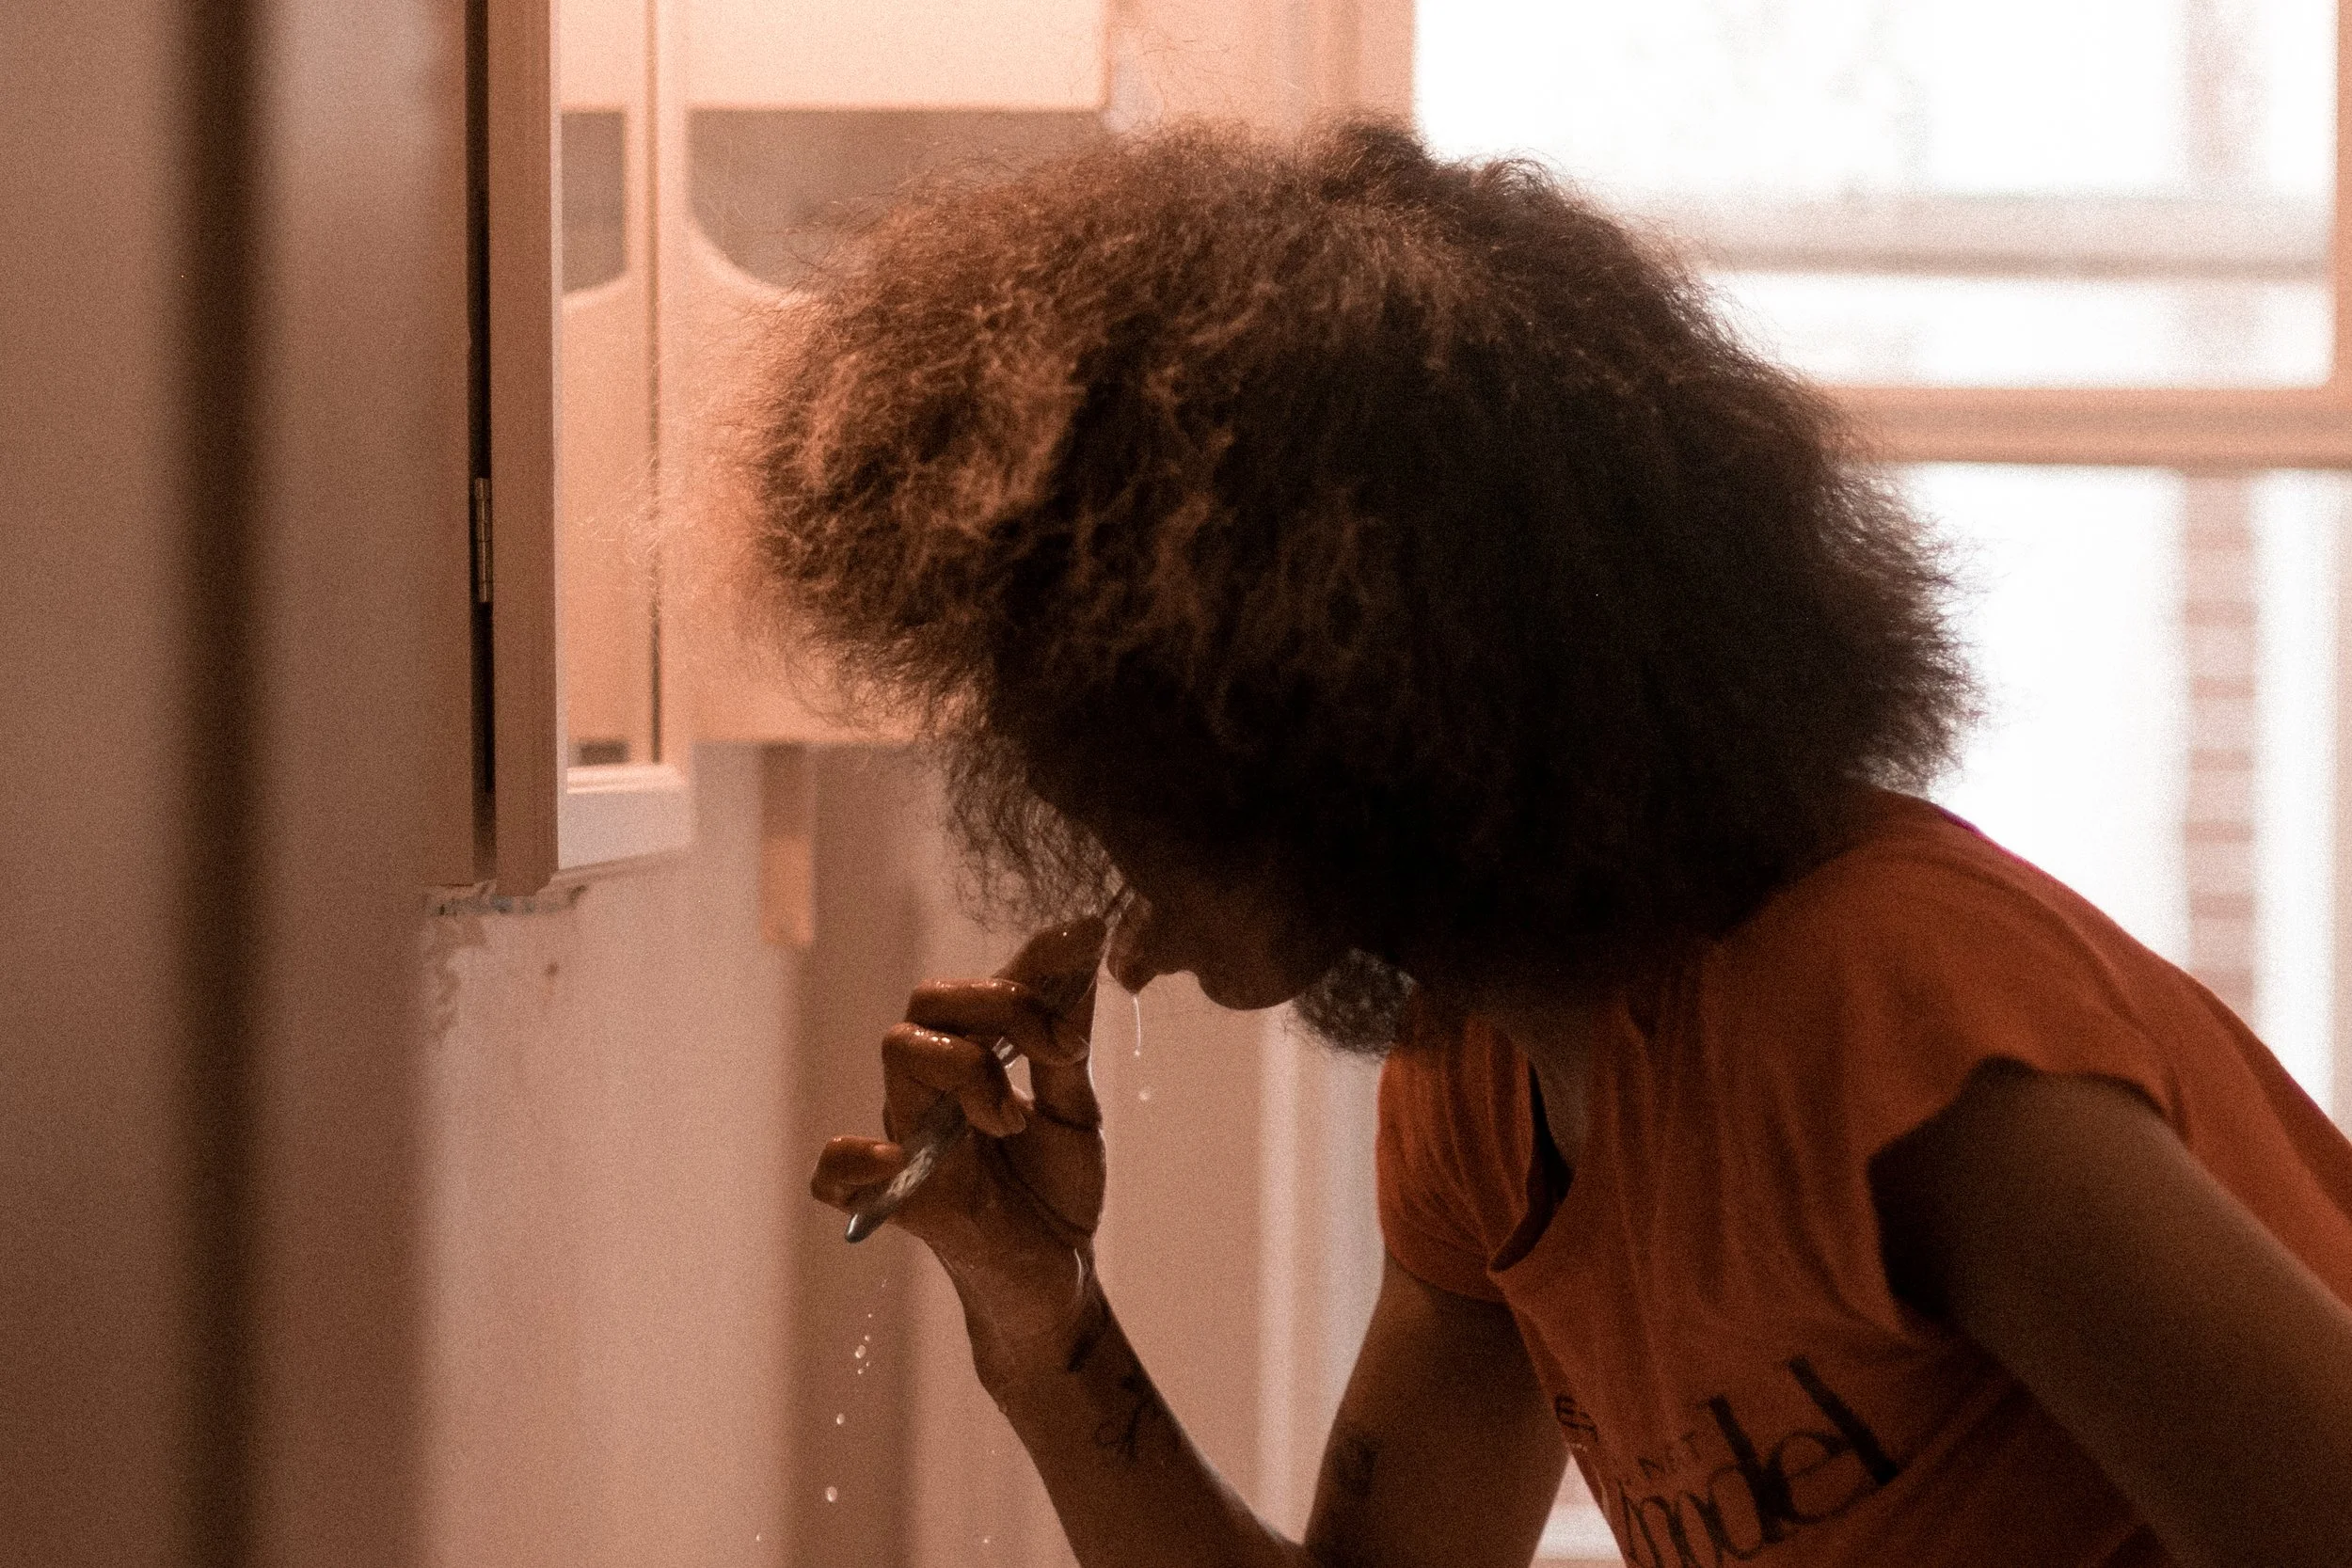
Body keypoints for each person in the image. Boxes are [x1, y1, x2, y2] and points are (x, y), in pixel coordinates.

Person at [757, 120, 2352, 1566]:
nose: (1079, 821)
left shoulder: (1878, 1002)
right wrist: (1048, 1320)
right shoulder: (1481, 1095)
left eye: (1114, 726)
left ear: (1333, 689)